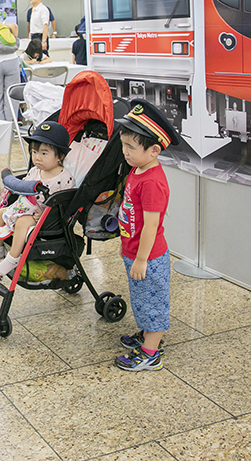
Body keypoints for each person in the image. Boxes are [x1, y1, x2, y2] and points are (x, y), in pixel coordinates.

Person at [113, 99, 178, 372]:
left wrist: (140, 260)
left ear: (153, 150)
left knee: (152, 301)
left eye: (130, 147)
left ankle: (151, 353)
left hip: (148, 256)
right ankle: (147, 335)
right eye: (123, 144)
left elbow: (151, 226)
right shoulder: (137, 169)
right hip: (136, 251)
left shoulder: (152, 182)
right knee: (141, 298)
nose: (124, 151)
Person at [0, 121, 76, 279]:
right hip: (26, 208)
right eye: (34, 152)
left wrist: (44, 213)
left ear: (60, 156)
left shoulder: (65, 179)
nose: (37, 158)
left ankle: (13, 258)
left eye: (44, 153)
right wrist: (14, 193)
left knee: (22, 223)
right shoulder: (35, 171)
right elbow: (24, 187)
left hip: (46, 218)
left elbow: (64, 203)